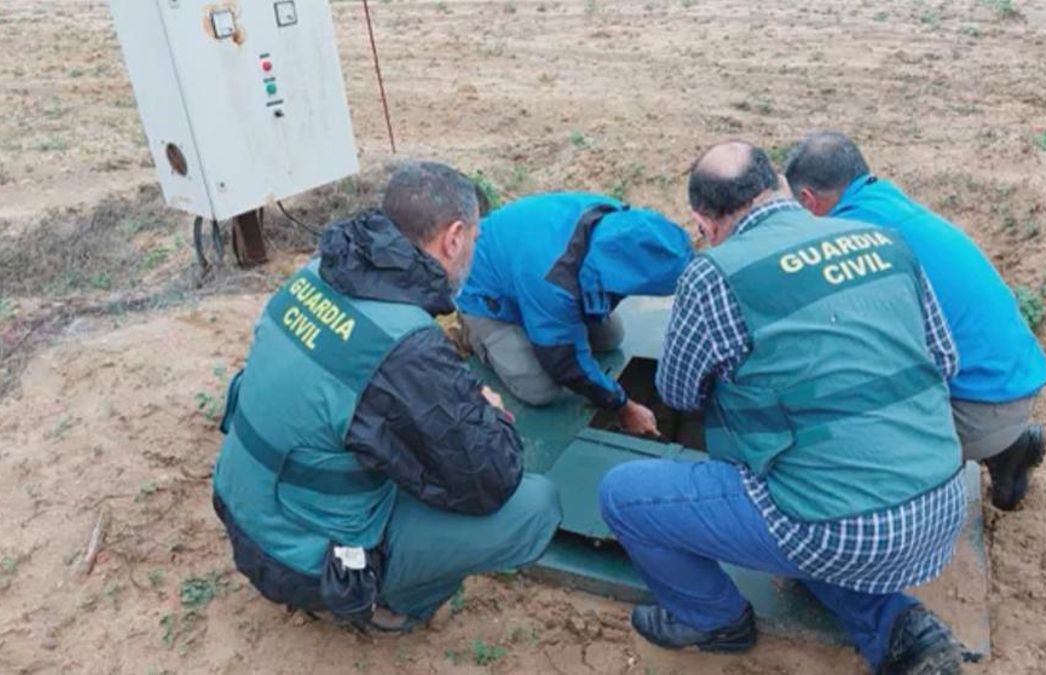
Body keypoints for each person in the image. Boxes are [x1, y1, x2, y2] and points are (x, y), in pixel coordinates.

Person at [599, 141, 967, 674]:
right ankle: (899, 627)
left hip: (836, 523)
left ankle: (713, 619)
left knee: (622, 495)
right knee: (814, 512)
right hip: (939, 502)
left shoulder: (714, 273)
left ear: (705, 222)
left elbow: (679, 394)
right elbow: (944, 361)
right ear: (776, 187)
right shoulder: (882, 239)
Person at [211, 160, 561, 632]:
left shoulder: (316, 272)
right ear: (453, 237)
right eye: (475, 240)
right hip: (302, 561)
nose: (474, 251)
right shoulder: (402, 349)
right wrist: (488, 414)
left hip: (243, 507)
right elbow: (488, 478)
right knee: (533, 506)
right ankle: (393, 603)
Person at [783, 130, 1046, 511]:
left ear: (808, 199)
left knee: (846, 436)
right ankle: (1007, 447)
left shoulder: (849, 236)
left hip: (979, 402)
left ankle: (953, 474)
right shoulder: (882, 201)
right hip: (1009, 378)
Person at [456, 191, 693, 436]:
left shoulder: (618, 222)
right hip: (487, 294)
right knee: (540, 391)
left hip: (529, 271)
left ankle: (538, 325)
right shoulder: (555, 281)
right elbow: (563, 361)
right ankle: (475, 334)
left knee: (611, 338)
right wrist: (623, 406)